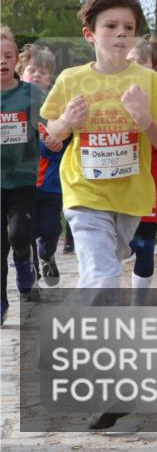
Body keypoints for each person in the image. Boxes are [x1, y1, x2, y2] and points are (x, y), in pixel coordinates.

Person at [41, 0, 157, 295]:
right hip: (84, 192)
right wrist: (65, 121)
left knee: (106, 267)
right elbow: (54, 131)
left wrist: (145, 120)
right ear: (89, 34)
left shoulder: (151, 83)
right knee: (104, 277)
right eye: (111, 26)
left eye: (128, 28)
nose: (121, 34)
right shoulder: (71, 79)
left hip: (131, 199)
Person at [1, 25, 46, 323]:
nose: (1, 61)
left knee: (18, 235)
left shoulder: (31, 94)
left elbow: (52, 125)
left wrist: (54, 136)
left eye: (7, 55)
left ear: (17, 59)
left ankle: (24, 262)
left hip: (23, 180)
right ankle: (1, 305)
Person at [18, 43, 66, 286]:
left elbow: (65, 137)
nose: (37, 75)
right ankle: (33, 274)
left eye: (43, 72)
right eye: (32, 70)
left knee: (49, 229)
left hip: (51, 184)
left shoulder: (55, 107)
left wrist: (59, 143)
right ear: (21, 73)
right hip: (23, 183)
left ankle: (47, 254)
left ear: (50, 79)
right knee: (26, 231)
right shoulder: (13, 105)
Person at [125, 36, 157, 299]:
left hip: (148, 186)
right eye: (130, 63)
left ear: (155, 69)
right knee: (119, 247)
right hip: (113, 188)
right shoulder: (107, 96)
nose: (136, 69)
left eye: (143, 63)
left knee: (145, 246)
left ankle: (137, 307)